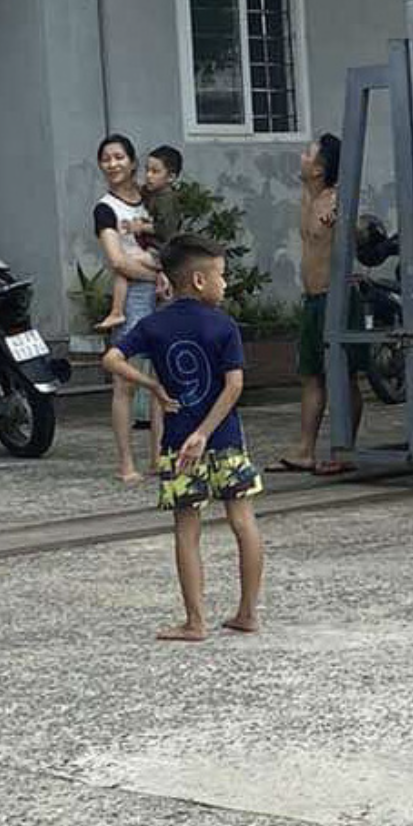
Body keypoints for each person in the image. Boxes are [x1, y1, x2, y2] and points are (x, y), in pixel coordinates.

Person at [106, 233, 266, 641]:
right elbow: (233, 386)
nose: (225, 284)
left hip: (179, 447)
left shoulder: (153, 325)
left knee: (186, 530)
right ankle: (247, 612)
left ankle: (195, 621)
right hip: (226, 441)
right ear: (198, 280)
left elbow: (112, 358)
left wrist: (153, 387)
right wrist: (206, 432)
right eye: (221, 276)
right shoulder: (224, 326)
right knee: (243, 523)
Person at [279, 133, 354, 476]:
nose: (302, 156)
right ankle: (305, 450)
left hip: (333, 297)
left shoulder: (337, 201)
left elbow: (358, 234)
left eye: (308, 153)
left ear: (320, 167)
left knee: (343, 376)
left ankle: (346, 450)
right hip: (312, 299)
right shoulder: (307, 198)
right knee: (310, 375)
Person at [92, 133, 161, 483]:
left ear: (133, 162)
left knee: (161, 380)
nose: (113, 164)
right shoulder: (105, 208)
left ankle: (159, 459)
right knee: (126, 381)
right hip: (134, 294)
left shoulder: (153, 200)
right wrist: (157, 274)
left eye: (119, 157)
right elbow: (117, 260)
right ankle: (126, 464)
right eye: (106, 158)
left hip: (163, 295)